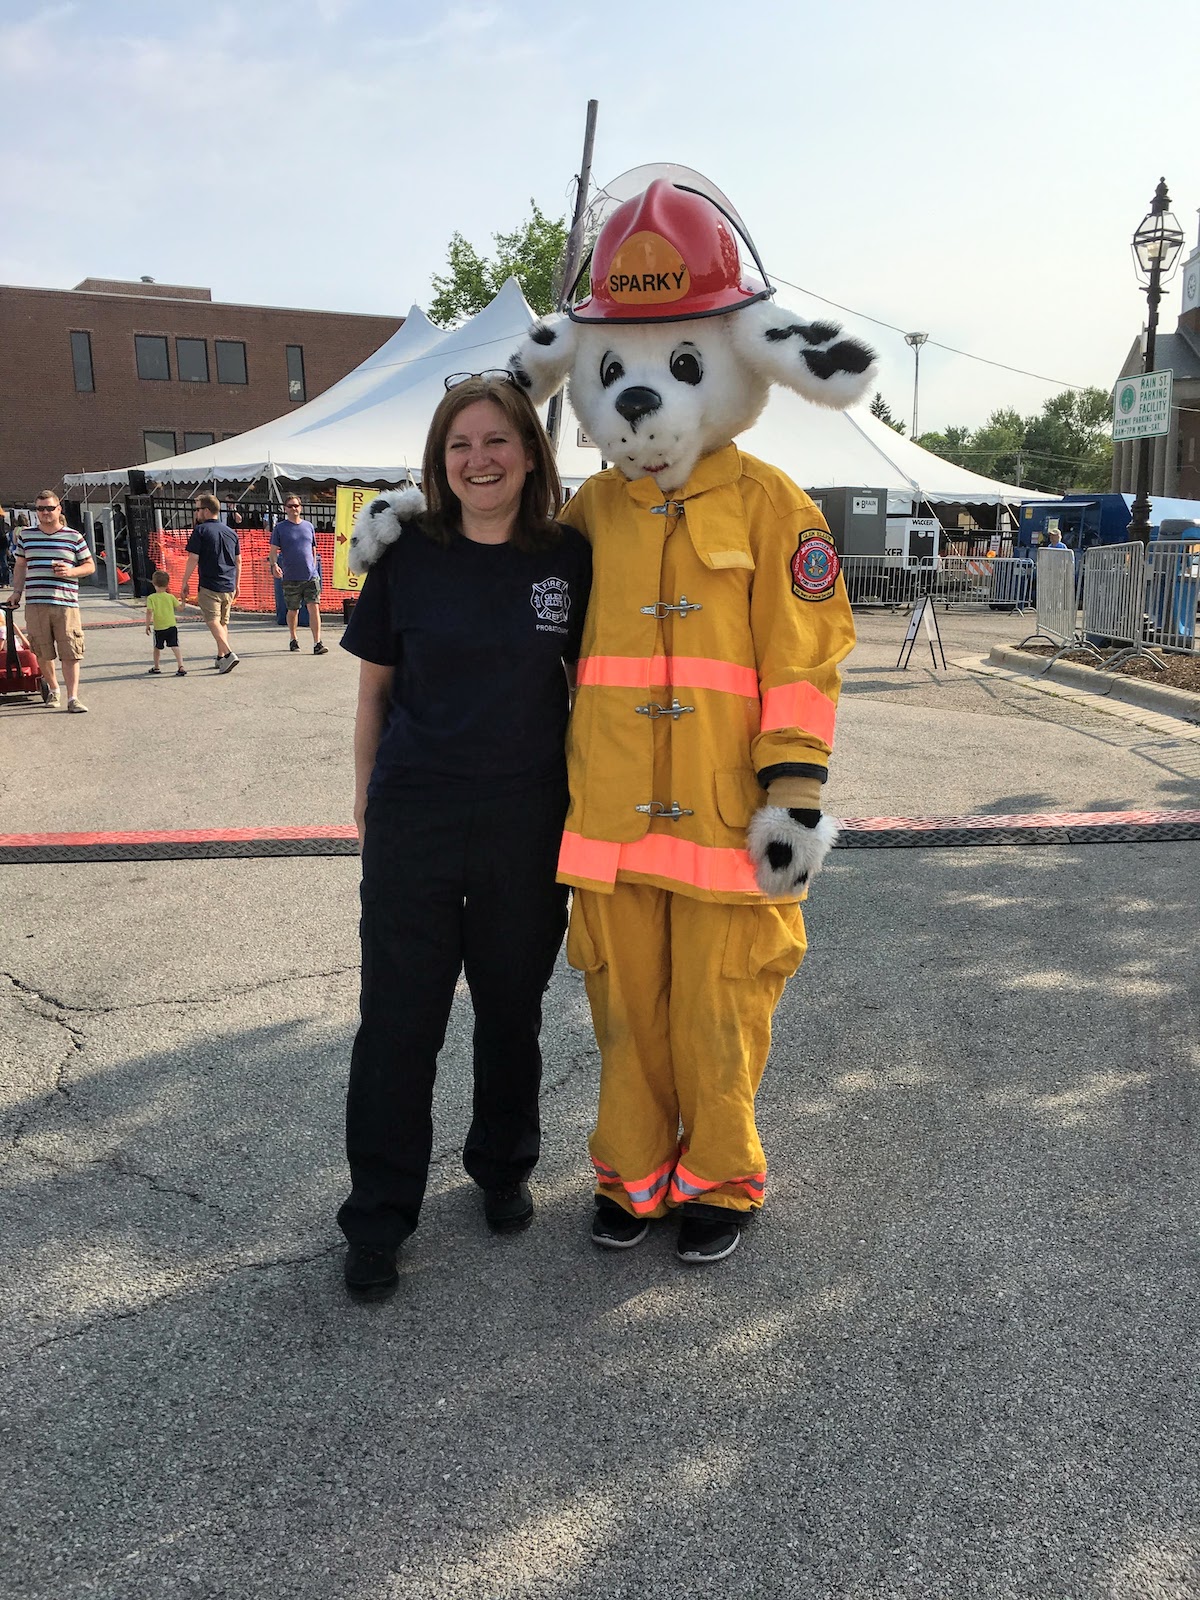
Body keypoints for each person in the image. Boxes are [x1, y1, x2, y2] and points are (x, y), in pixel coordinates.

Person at [336, 373, 591, 1300]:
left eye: (495, 442)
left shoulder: (570, 556)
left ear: (530, 452)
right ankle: (377, 1215)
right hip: (417, 816)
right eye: (459, 446)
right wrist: (367, 799)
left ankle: (503, 1167)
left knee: (509, 1008)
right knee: (400, 1022)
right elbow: (372, 692)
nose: (477, 460)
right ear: (439, 464)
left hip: (528, 820)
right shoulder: (408, 555)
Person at [7, 489, 95, 712]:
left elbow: (90, 566)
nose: (45, 512)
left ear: (59, 509)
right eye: (40, 509)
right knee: (41, 649)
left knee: (71, 650)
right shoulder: (26, 536)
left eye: (49, 508)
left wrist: (71, 571)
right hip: (36, 602)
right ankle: (54, 689)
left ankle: (72, 697)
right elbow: (20, 565)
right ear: (36, 511)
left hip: (66, 603)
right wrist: (17, 591)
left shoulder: (74, 536)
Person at [181, 493, 241, 673]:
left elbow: (193, 557)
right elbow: (239, 560)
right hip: (228, 583)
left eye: (198, 509)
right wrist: (237, 583)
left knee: (212, 620)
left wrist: (184, 582)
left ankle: (229, 653)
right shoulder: (231, 532)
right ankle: (221, 656)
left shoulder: (200, 531)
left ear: (206, 511)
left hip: (209, 583)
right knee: (223, 622)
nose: (196, 513)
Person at [268, 495, 327, 654]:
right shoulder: (280, 528)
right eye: (290, 506)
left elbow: (313, 547)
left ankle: (317, 642)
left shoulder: (308, 526)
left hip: (310, 576)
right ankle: (293, 638)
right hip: (291, 576)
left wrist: (313, 566)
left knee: (314, 608)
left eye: (296, 506)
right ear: (285, 509)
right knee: (293, 610)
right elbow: (273, 551)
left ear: (300, 507)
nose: (294, 509)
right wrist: (274, 565)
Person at [144, 569, 186, 676]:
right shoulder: (170, 597)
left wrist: (147, 625)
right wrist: (184, 600)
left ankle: (157, 667)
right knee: (175, 645)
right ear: (167, 584)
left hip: (159, 628)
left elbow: (149, 612)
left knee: (157, 647)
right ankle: (181, 665)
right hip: (172, 626)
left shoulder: (151, 598)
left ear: (153, 583)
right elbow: (180, 609)